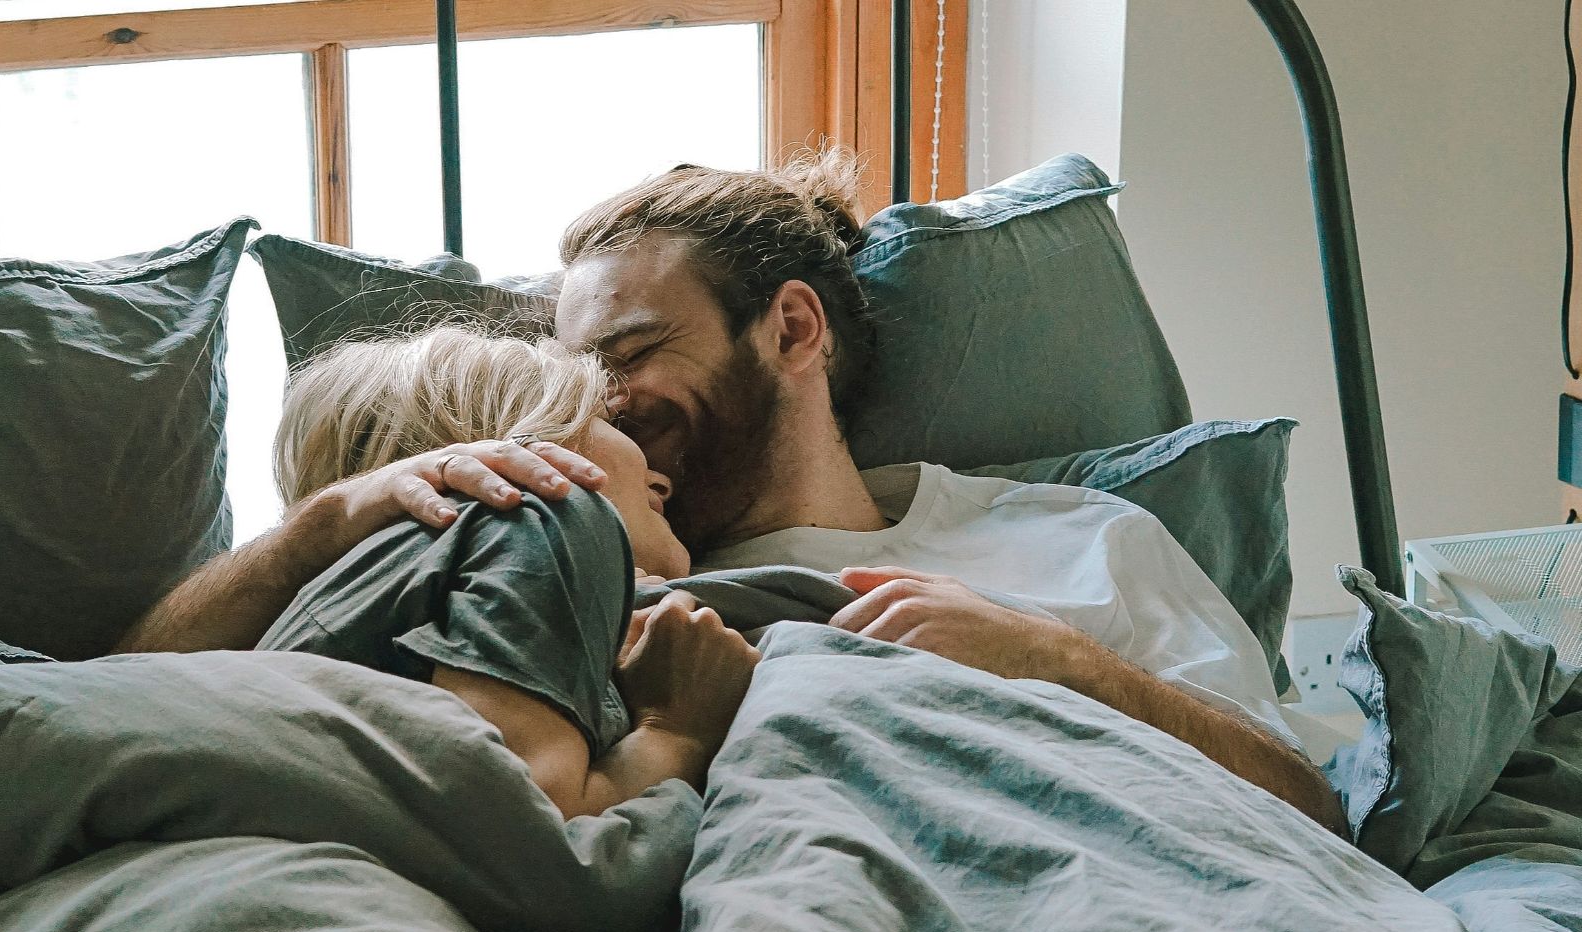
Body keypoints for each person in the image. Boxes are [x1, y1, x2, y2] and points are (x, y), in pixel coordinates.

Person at [547, 149, 1347, 836]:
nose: (601, 404)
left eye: (632, 353)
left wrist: (1054, 659)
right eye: (580, 380)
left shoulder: (1082, 539)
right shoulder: (591, 565)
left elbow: (1311, 811)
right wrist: (418, 490)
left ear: (792, 329)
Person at [186, 325, 759, 820]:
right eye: (613, 425)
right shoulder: (534, 518)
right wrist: (674, 735)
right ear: (521, 438)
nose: (662, 477)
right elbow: (538, 835)